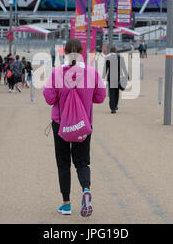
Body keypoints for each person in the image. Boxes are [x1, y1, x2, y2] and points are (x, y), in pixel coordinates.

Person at [43, 38, 106, 217]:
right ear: (81, 52)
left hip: (60, 124)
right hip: (83, 124)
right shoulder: (92, 73)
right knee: (82, 161)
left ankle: (66, 203)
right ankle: (86, 190)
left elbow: (49, 98)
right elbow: (101, 97)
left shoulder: (57, 73)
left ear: (64, 52)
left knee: (63, 163)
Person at [103, 46, 128, 114]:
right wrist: (127, 75)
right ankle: (115, 105)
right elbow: (124, 67)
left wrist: (102, 77)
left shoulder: (108, 58)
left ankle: (112, 109)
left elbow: (105, 69)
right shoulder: (120, 58)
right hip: (118, 78)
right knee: (117, 92)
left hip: (110, 78)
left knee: (111, 93)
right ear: (116, 51)